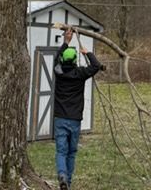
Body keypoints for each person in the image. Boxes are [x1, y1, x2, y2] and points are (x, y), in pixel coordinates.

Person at [53, 27, 101, 190]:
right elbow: (96, 66)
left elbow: (56, 57)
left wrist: (66, 42)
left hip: (60, 118)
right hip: (74, 119)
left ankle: (62, 175)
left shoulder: (58, 72)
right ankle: (69, 183)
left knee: (61, 151)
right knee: (71, 153)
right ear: (74, 61)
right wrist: (87, 52)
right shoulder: (80, 73)